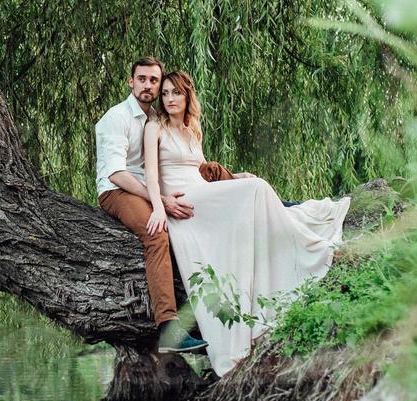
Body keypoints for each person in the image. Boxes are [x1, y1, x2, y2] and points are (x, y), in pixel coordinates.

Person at [142, 71, 351, 376]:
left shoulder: (192, 130)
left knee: (255, 186)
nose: (170, 99)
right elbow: (149, 175)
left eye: (176, 93)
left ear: (188, 96)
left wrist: (234, 177)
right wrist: (162, 204)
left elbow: (199, 169)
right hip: (182, 201)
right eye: (166, 93)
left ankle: (283, 257)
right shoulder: (154, 127)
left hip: (203, 192)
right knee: (258, 190)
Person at [95, 57, 208, 353]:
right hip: (117, 191)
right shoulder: (116, 117)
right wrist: (159, 202)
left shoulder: (154, 120)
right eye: (142, 79)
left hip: (147, 190)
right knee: (156, 234)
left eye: (153, 81)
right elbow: (116, 173)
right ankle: (169, 327)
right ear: (131, 82)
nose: (148, 85)